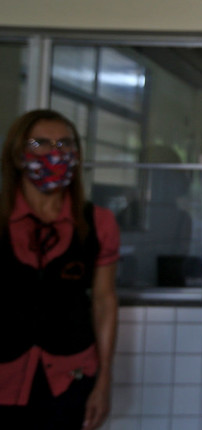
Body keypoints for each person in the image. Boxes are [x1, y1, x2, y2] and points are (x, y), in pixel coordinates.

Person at [0, 109, 119, 429]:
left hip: (71, 376)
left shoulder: (98, 222)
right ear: (18, 154)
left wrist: (104, 380)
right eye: (40, 143)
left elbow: (104, 302)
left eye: (65, 144)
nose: (55, 153)